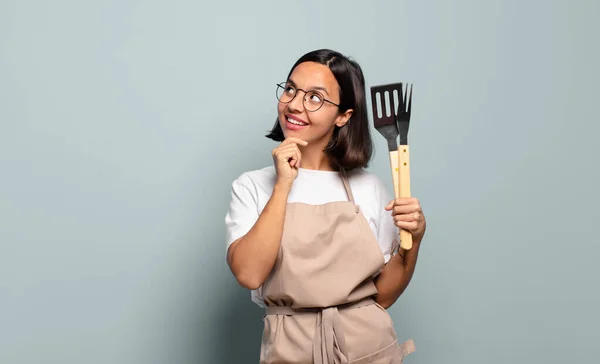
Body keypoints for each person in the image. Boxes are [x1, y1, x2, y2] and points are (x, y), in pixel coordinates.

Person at [225, 49, 426, 364]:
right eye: (291, 89)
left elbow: (382, 297)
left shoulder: (369, 187)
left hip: (367, 349)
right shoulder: (251, 186)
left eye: (315, 98)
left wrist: (412, 243)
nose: (294, 104)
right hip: (290, 349)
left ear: (344, 116)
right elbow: (250, 273)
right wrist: (283, 185)